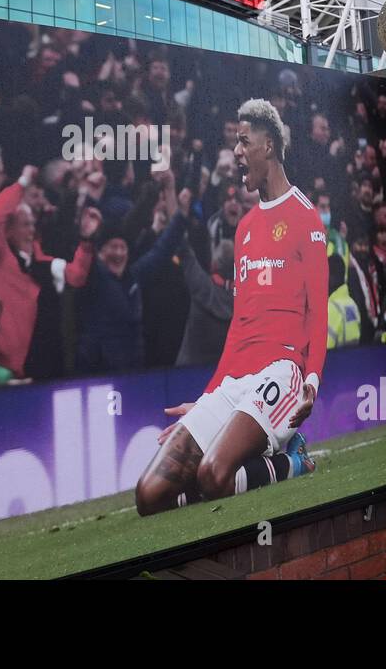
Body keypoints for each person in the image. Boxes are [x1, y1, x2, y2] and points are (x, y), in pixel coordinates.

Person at [134, 98, 327, 516]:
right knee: (149, 496)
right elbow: (238, 326)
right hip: (235, 380)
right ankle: (260, 457)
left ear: (269, 146)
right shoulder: (245, 229)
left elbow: (318, 313)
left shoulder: (305, 217)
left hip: (282, 371)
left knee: (214, 475)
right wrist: (206, 399)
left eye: (244, 142)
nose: (237, 152)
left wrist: (312, 379)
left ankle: (293, 460)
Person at [0, 164, 101, 377]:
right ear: (9, 229)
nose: (31, 231)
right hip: (1, 367)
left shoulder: (40, 262)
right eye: (25, 225)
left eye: (32, 225)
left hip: (40, 363)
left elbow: (77, 276)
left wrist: (86, 241)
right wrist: (22, 182)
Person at [76, 181, 189, 374]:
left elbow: (160, 251)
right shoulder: (94, 277)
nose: (119, 253)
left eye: (123, 248)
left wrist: (180, 216)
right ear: (101, 253)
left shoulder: (133, 277)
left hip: (133, 371)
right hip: (98, 373)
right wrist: (86, 236)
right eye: (113, 247)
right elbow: (83, 254)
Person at [173, 237, 234, 368]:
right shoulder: (244, 300)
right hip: (223, 377)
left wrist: (177, 219)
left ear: (214, 265)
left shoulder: (201, 284)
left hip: (187, 374)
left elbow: (184, 251)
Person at [325, 257, 362, 349]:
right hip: (353, 359)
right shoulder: (352, 304)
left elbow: (324, 348)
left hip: (336, 361)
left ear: (331, 276)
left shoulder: (331, 308)